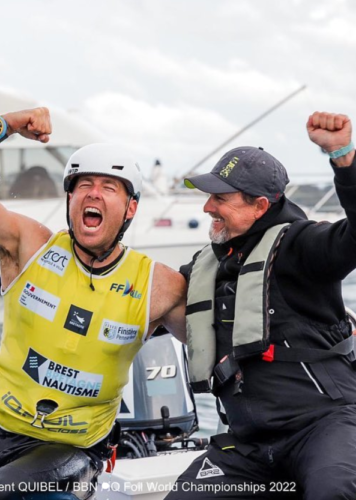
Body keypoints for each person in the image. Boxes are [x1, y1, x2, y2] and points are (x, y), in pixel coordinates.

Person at [0, 107, 187, 500]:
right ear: (71, 198)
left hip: (72, 445)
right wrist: (1, 126)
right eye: (84, 184)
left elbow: (218, 346)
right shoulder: (28, 246)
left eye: (109, 187)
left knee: (1, 493)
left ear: (130, 208)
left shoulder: (158, 285)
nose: (94, 193)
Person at [165, 112, 356, 500]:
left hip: (325, 426)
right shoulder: (206, 265)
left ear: (260, 206)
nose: (208, 208)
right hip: (249, 445)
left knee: (332, 491)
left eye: (220, 198)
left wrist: (344, 158)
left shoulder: (303, 246)